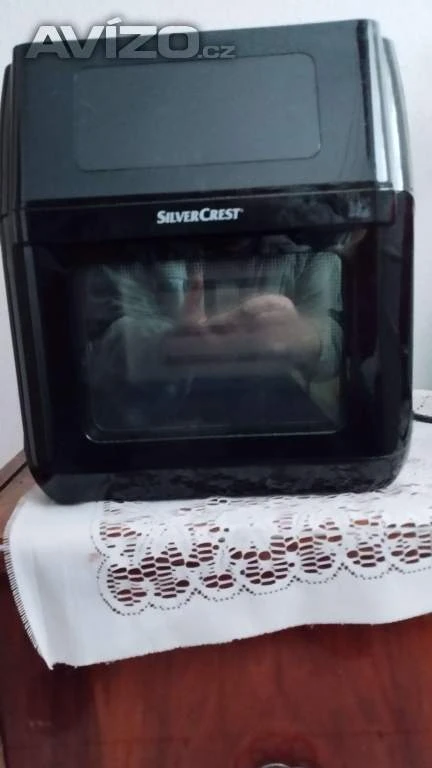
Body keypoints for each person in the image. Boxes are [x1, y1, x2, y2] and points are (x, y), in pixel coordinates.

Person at [82, 234, 344, 435]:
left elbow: (337, 345)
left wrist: (303, 335)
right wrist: (176, 344)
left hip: (275, 426)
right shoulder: (128, 237)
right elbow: (98, 347)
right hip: (149, 423)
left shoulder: (313, 245)